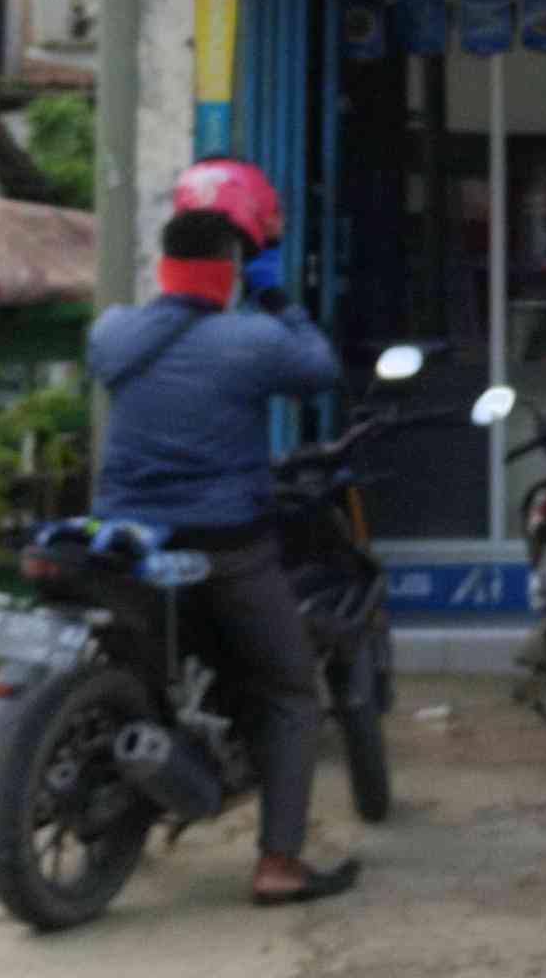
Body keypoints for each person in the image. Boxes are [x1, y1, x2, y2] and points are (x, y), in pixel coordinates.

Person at [88, 155, 357, 907]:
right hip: (223, 545)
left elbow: (161, 329)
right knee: (291, 689)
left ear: (164, 264)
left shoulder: (113, 331)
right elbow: (320, 369)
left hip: (127, 542)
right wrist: (277, 296)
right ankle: (278, 864)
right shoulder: (251, 340)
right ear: (232, 268)